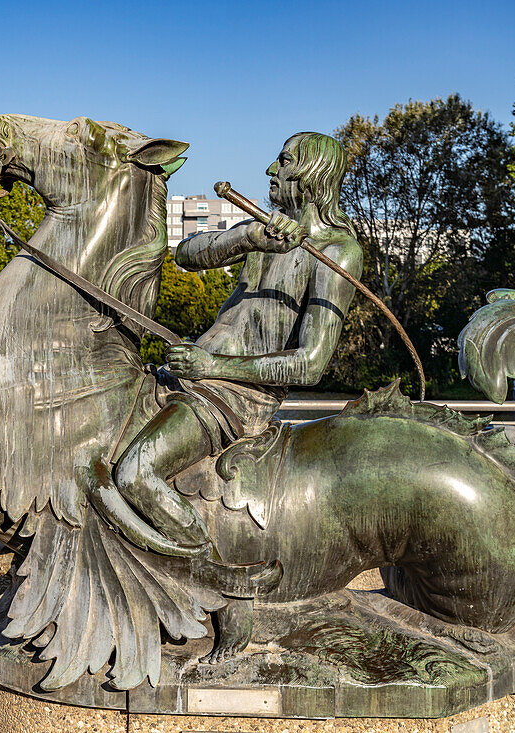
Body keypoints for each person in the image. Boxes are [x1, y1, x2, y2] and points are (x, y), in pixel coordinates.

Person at [91, 132, 363, 557]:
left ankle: (209, 574)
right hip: (192, 379)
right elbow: (185, 255)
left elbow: (310, 365)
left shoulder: (337, 251)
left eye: (285, 162)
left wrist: (210, 366)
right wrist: (248, 237)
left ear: (311, 174)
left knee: (136, 474)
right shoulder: (262, 230)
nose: (271, 171)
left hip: (231, 398)